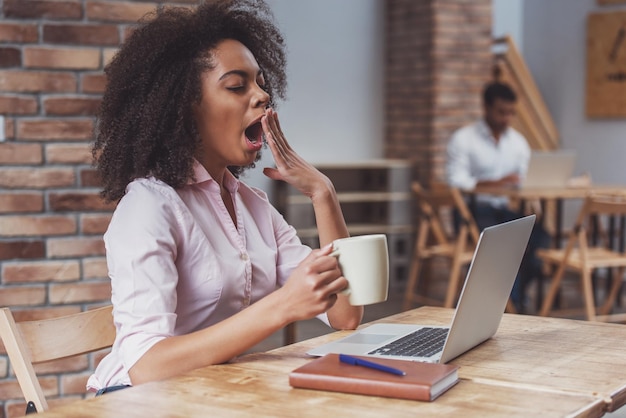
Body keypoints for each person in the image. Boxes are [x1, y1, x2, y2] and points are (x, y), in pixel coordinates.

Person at [87, 0, 363, 394]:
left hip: (210, 393)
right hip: (138, 401)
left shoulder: (254, 207)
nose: (262, 97)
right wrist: (284, 304)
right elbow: (146, 365)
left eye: (261, 84)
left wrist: (323, 193)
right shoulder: (150, 205)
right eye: (237, 85)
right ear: (184, 107)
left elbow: (345, 313)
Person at [445, 81, 550, 313]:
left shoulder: (518, 143)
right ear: (486, 108)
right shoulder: (464, 139)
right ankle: (508, 306)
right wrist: (498, 182)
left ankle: (513, 300)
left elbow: (524, 178)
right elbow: (456, 181)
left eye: (511, 113)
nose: (506, 118)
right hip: (473, 211)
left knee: (541, 240)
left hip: (504, 211)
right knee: (505, 243)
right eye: (501, 112)